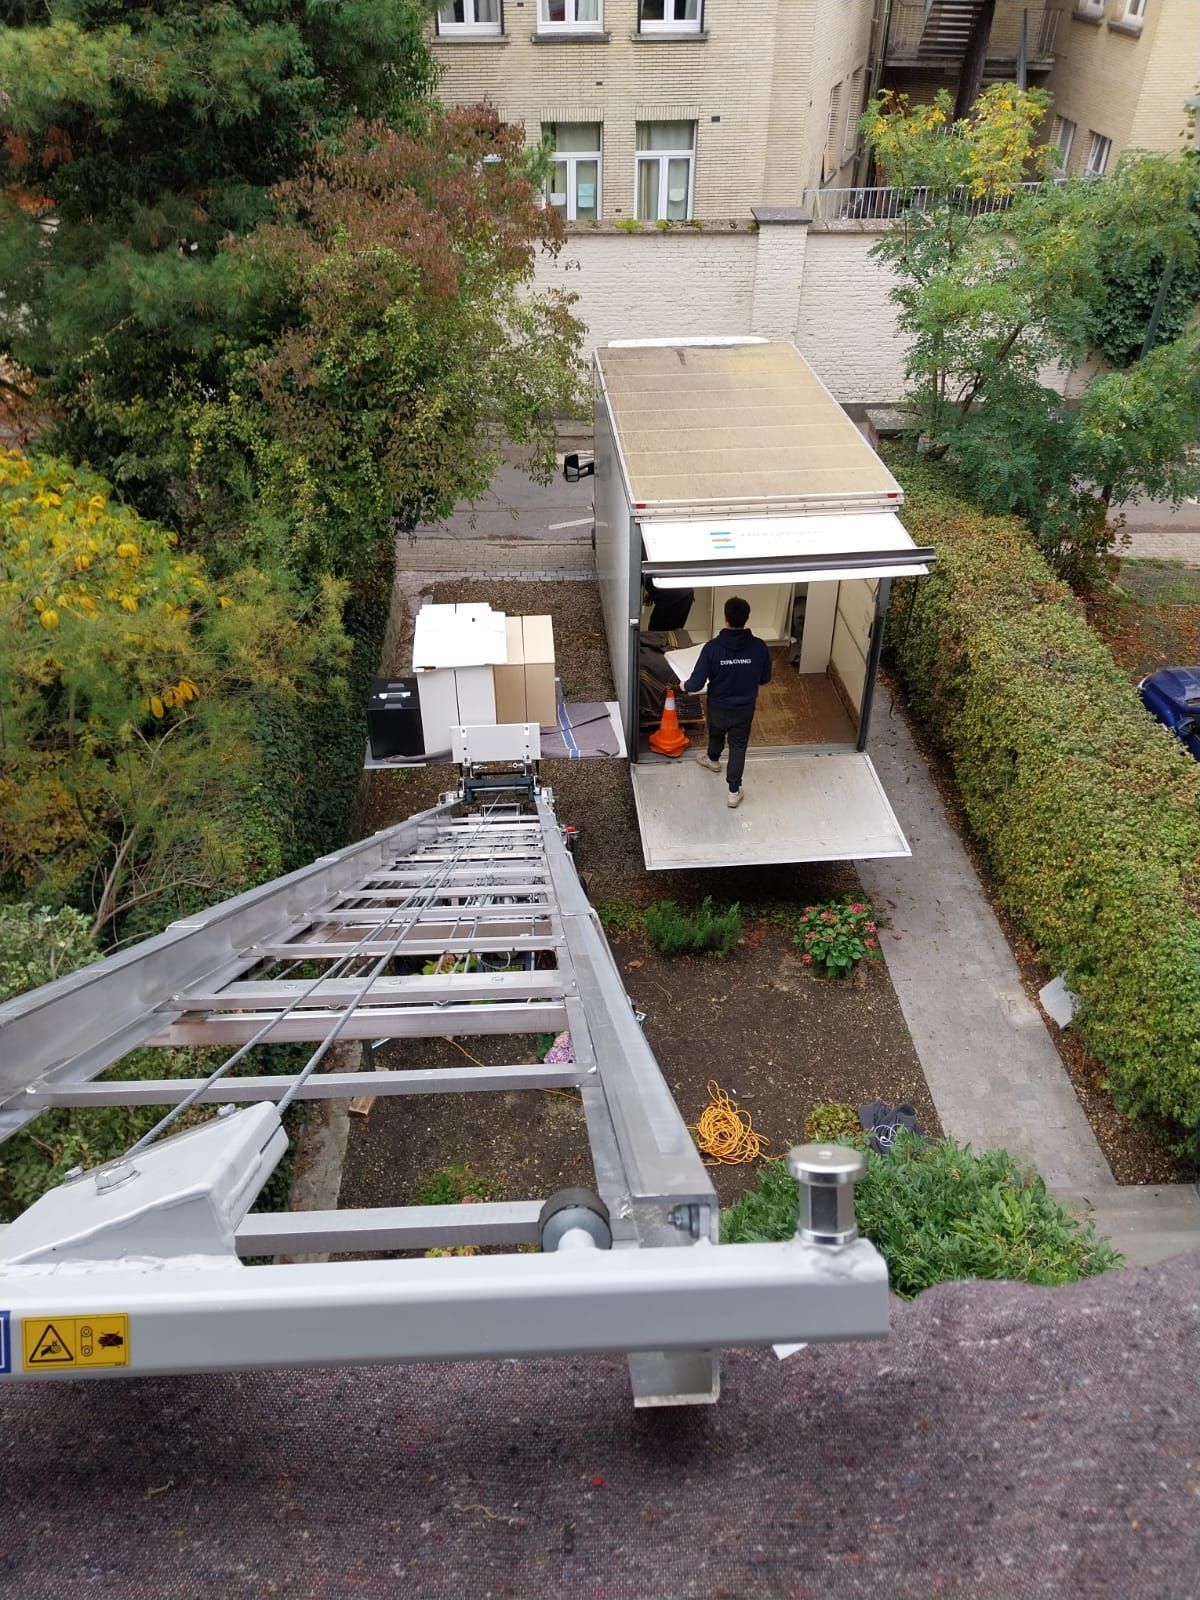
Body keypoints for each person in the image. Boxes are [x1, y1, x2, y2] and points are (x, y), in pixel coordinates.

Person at [679, 596, 772, 809]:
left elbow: (696, 683)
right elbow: (765, 678)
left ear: (725, 618)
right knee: (738, 747)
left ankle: (712, 761)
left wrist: (683, 685)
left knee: (717, 732)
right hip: (744, 709)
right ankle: (733, 792)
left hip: (718, 706)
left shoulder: (712, 648)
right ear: (747, 618)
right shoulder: (759, 647)